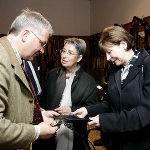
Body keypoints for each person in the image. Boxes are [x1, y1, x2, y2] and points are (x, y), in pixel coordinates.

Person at [73, 26, 150, 150]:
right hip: (117, 142)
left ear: (123, 44)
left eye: (109, 52)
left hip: (140, 143)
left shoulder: (147, 65)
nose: (108, 58)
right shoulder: (115, 69)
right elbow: (111, 103)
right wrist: (88, 110)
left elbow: (146, 113)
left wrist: (106, 121)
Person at [0, 8, 59, 150]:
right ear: (25, 35)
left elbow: (16, 101)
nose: (43, 50)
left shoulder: (13, 57)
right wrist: (37, 131)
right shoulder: (2, 59)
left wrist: (40, 114)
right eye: (42, 43)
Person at [40, 37, 98, 150]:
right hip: (50, 127)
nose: (64, 56)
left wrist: (71, 109)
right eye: (64, 51)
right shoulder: (52, 74)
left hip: (74, 131)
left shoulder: (88, 80)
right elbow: (43, 99)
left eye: (70, 53)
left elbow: (92, 108)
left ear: (79, 58)